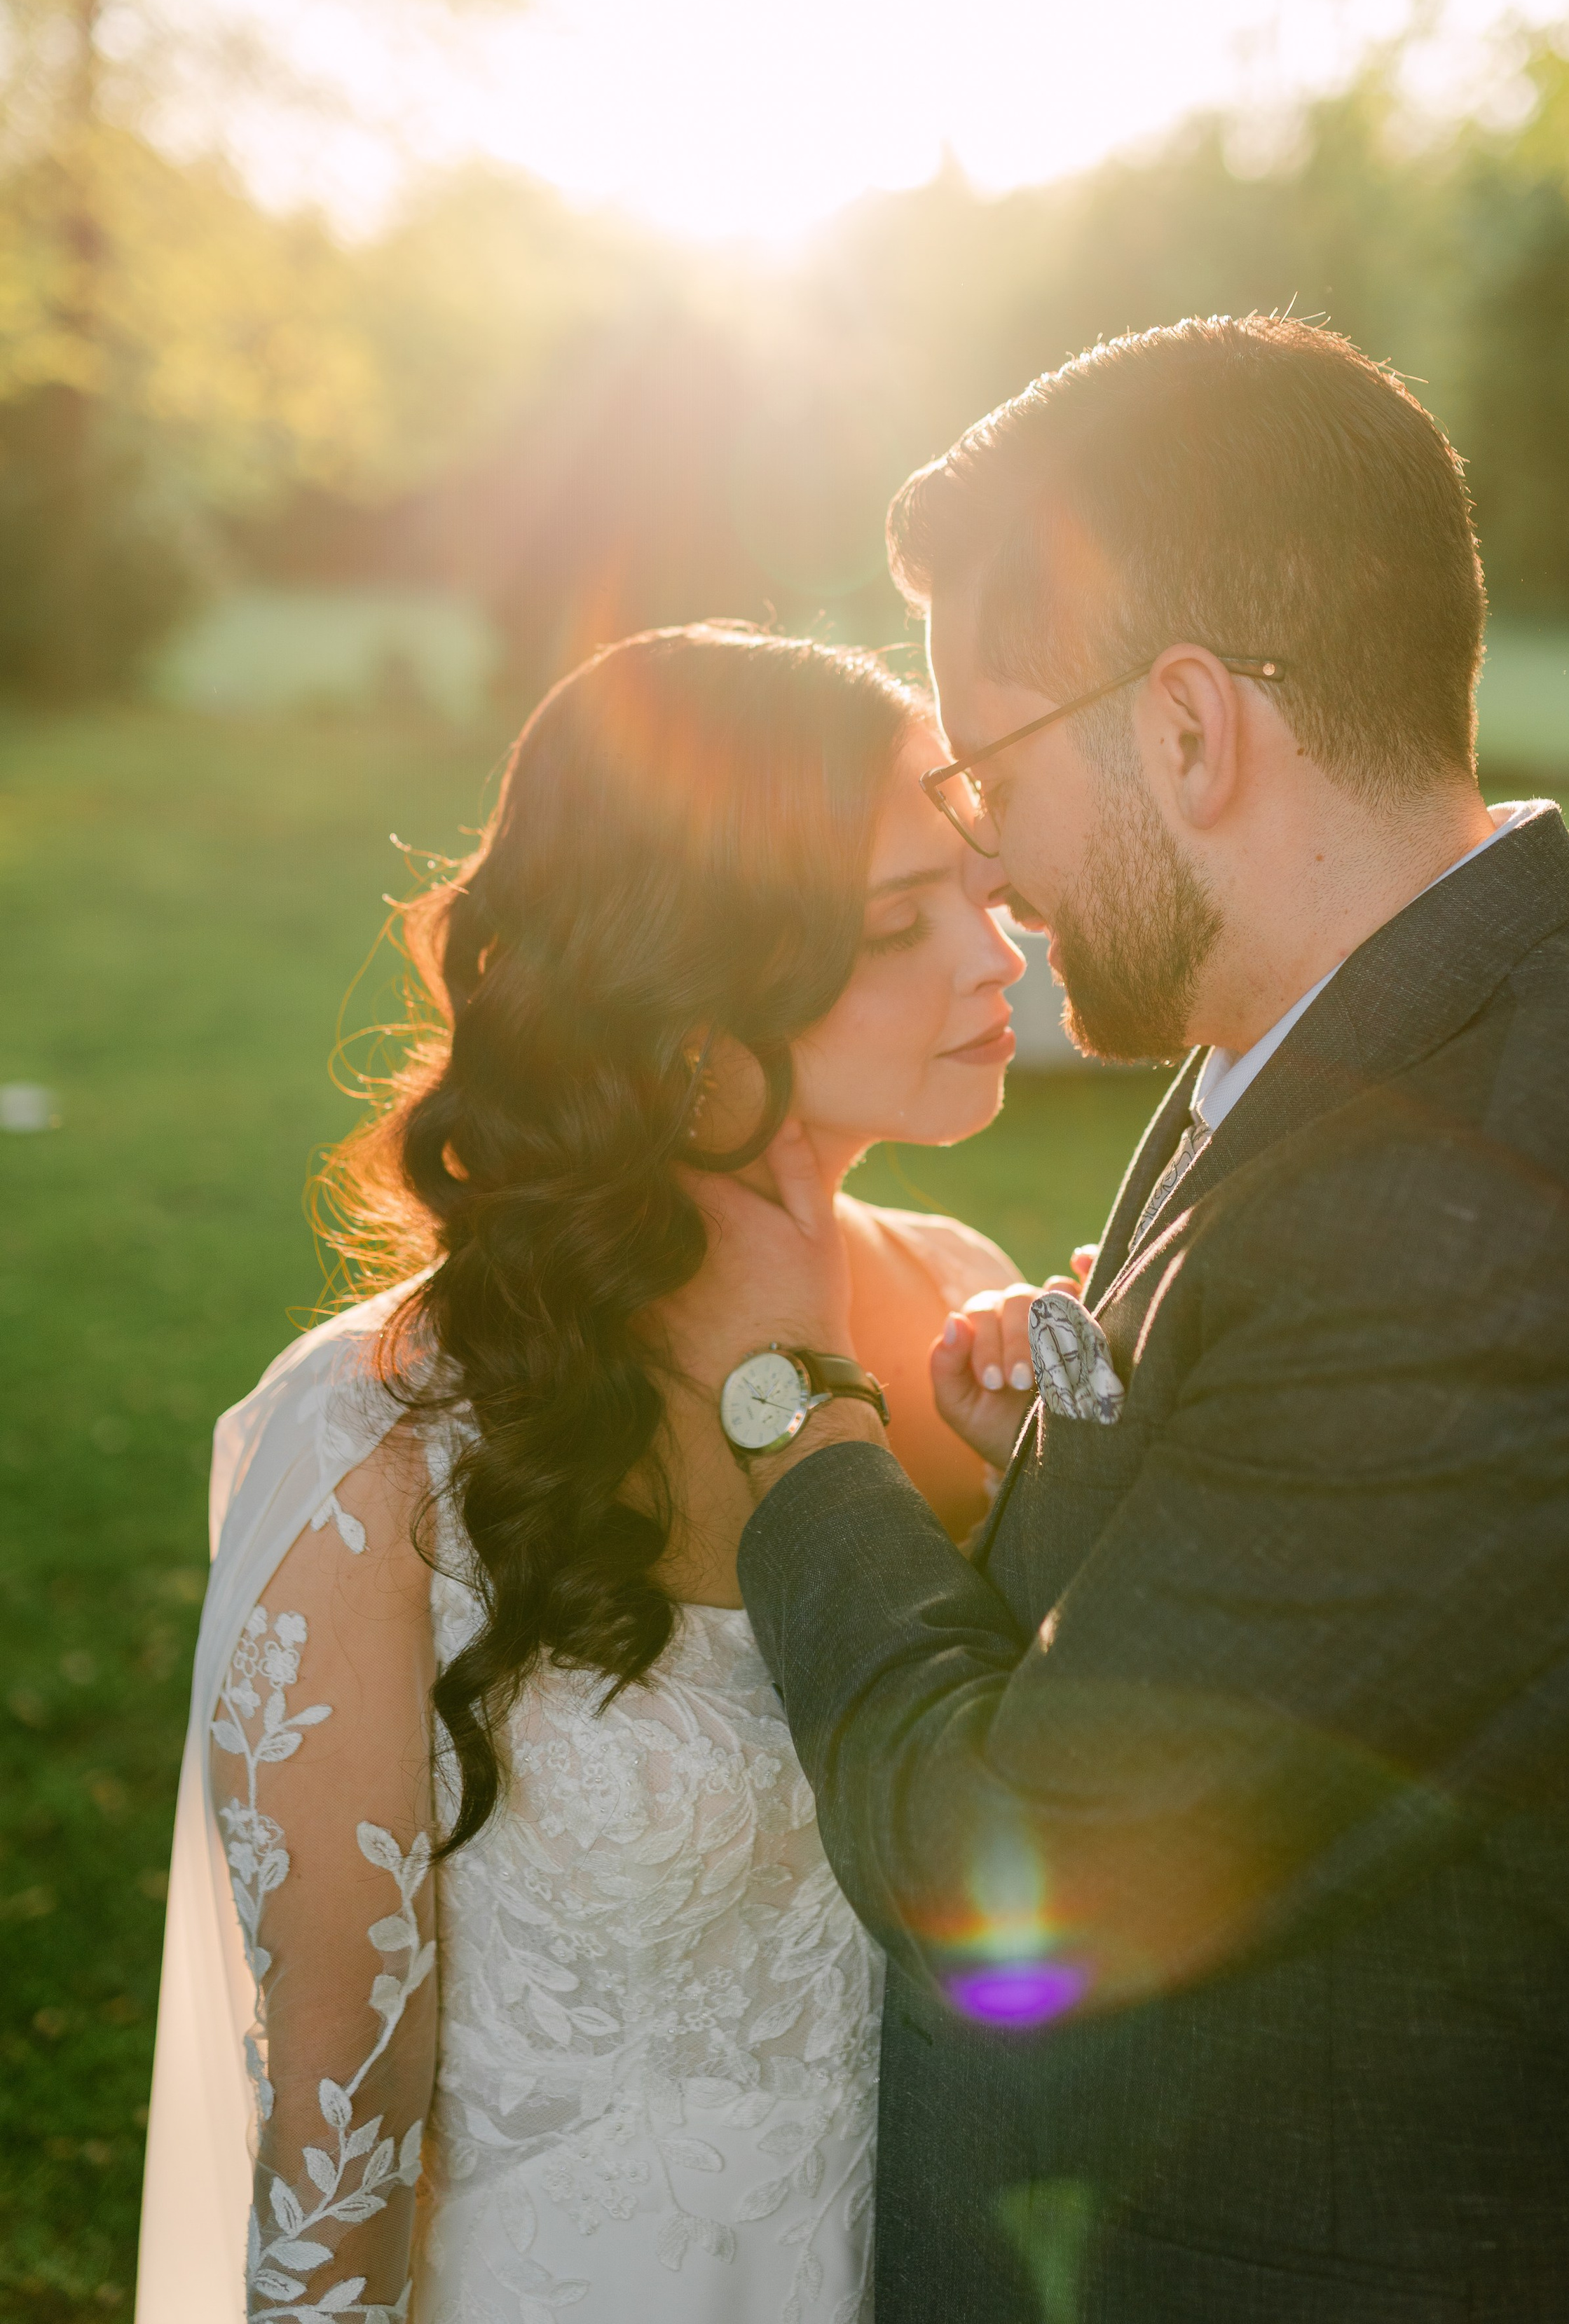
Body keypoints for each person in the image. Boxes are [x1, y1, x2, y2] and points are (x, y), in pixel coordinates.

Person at [696, 317, 1569, 2321]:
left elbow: (996, 1861)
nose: (992, 864)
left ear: (1190, 728)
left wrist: (802, 1423)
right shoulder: (1370, 1039)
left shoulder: (1455, 1233)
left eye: (993, 769)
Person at [135, 624, 1039, 2324]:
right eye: (897, 922)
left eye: (984, 890)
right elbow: (338, 2115)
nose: (998, 963)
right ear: (687, 988)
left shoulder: (953, 1304)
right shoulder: (386, 1442)